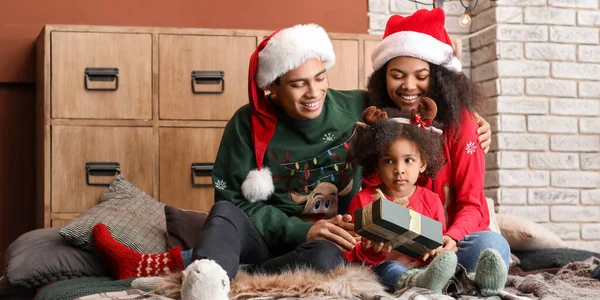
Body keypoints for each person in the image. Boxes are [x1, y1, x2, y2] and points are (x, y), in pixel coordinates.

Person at [91, 21, 494, 297]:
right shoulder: (246, 124)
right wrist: (302, 230)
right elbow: (230, 201)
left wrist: (469, 120)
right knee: (224, 216)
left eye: (320, 79)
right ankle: (203, 283)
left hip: (327, 246)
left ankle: (190, 274)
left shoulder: (358, 107)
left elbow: (415, 116)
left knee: (326, 258)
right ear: (273, 89)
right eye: (298, 84)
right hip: (268, 235)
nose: (313, 93)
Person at [363, 8, 511, 274]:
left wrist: (452, 237)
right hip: (398, 244)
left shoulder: (463, 123)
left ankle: (439, 272)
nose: (409, 86)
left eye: (421, 76)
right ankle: (417, 276)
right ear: (383, 76)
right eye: (397, 76)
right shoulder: (375, 119)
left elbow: (472, 203)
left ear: (439, 78)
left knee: (491, 246)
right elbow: (370, 192)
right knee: (381, 262)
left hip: (454, 242)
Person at [344, 104, 507, 294]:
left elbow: (438, 244)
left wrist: (435, 250)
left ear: (422, 164)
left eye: (408, 160)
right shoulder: (364, 200)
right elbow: (352, 256)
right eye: (389, 161)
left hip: (428, 268)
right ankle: (428, 282)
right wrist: (372, 251)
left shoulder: (431, 200)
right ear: (377, 165)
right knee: (387, 271)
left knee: (490, 244)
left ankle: (477, 283)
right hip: (386, 268)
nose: (399, 169)